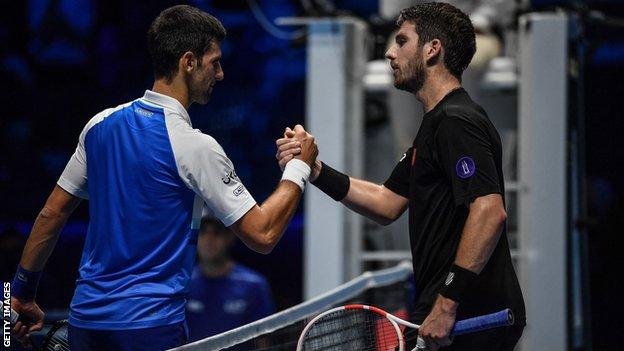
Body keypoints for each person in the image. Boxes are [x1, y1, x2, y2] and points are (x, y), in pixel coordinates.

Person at [10, 5, 317, 351]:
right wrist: (298, 167)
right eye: (214, 62)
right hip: (151, 329)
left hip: (86, 324)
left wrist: (20, 292)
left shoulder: (98, 126)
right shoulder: (195, 145)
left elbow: (52, 214)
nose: (220, 74)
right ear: (188, 62)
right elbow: (263, 234)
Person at [276, 3, 525, 350]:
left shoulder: (457, 120)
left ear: (432, 49)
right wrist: (315, 170)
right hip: (448, 314)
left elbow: (489, 211)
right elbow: (386, 203)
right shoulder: (435, 125)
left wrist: (447, 302)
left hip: (468, 317)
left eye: (401, 41)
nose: (390, 53)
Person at [185, 216, 275, 341]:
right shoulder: (183, 284)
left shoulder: (254, 285)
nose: (209, 239)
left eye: (216, 232)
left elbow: (265, 340)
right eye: (203, 231)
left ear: (230, 237)